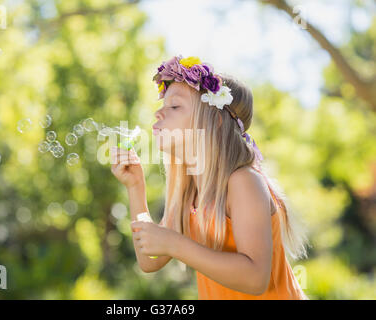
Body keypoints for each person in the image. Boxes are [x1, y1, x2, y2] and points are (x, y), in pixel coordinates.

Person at [110, 55, 310, 299]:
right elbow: (149, 259)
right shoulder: (188, 193)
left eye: (174, 106)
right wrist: (135, 187)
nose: (158, 113)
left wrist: (174, 243)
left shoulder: (242, 181)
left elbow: (256, 278)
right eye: (162, 106)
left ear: (214, 121)